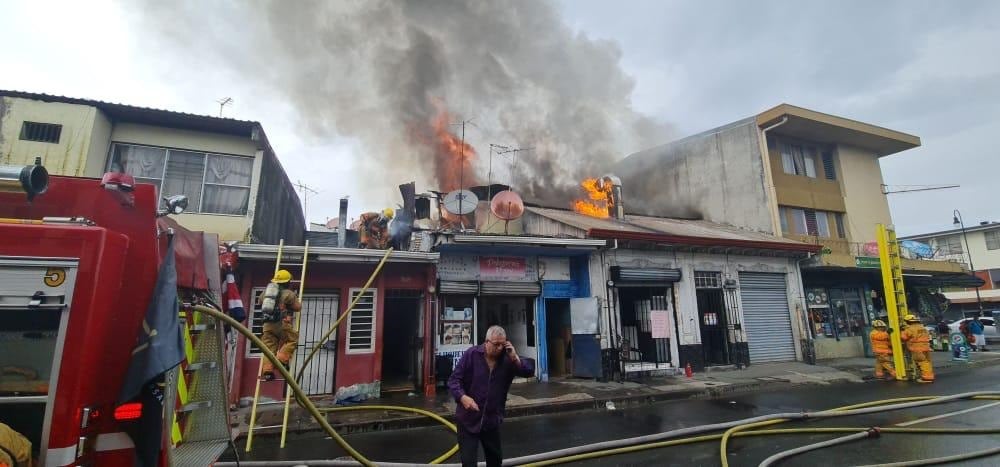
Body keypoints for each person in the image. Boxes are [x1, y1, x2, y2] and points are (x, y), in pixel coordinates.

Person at [448, 325, 535, 467]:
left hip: (491, 420)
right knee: (469, 463)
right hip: (468, 420)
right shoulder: (472, 354)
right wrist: (463, 397)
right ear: (486, 342)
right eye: (496, 344)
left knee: (495, 461)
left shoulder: (508, 359)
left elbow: (528, 371)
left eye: (503, 343)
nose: (500, 348)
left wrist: (515, 357)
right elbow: (454, 380)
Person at [259, 269, 302, 381]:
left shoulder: (265, 293)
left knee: (268, 348)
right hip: (281, 323)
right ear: (287, 282)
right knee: (293, 339)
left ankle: (268, 371)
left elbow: (260, 302)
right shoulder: (288, 293)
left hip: (267, 325)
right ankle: (281, 361)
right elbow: (297, 308)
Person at [900, 314, 934, 383]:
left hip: (917, 348)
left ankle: (927, 378)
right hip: (926, 347)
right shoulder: (923, 327)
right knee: (927, 362)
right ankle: (929, 375)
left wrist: (902, 330)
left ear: (907, 321)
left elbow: (904, 338)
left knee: (922, 362)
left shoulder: (909, 329)